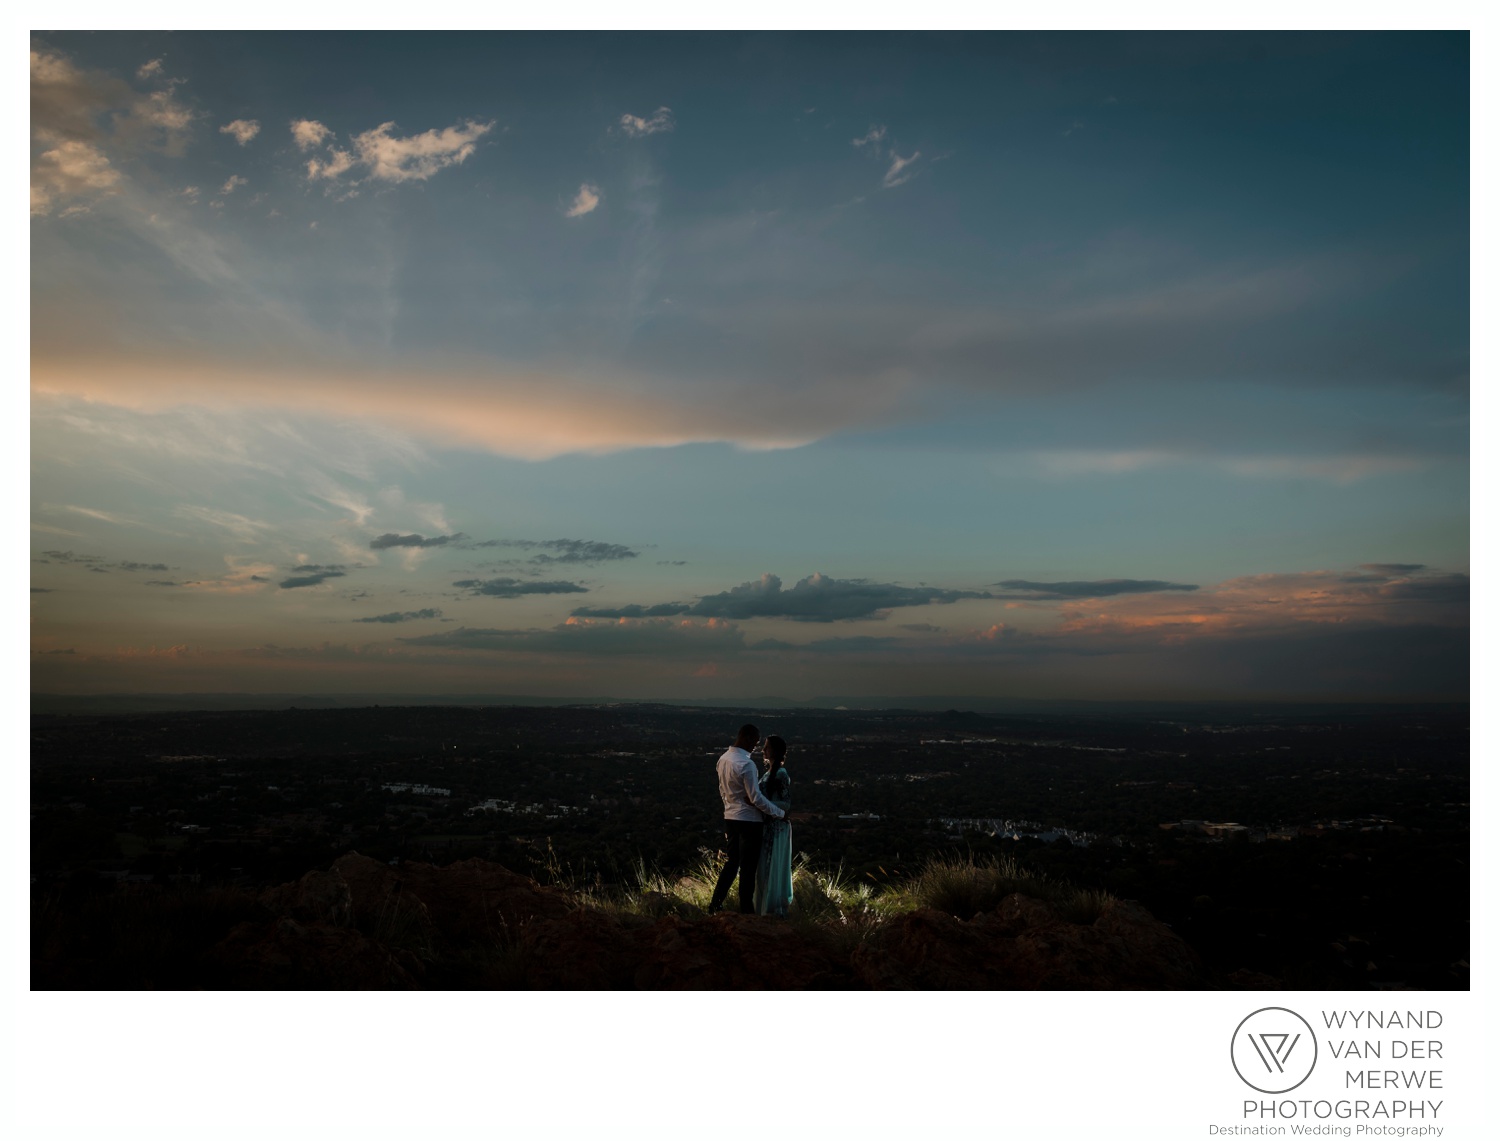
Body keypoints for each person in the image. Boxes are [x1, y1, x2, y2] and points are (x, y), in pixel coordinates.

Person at [707, 723, 787, 914]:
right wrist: (779, 812)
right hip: (750, 821)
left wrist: (729, 807)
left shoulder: (723, 759)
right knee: (748, 868)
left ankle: (715, 904)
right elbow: (756, 798)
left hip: (731, 817)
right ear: (748, 738)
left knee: (732, 862)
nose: (756, 747)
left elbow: (722, 790)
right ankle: (746, 911)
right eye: (756, 742)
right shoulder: (747, 764)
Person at [754, 735, 794, 917]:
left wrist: (759, 803)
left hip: (777, 828)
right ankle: (763, 908)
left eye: (767, 747)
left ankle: (772, 909)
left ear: (775, 751)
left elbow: (786, 804)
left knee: (772, 869)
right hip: (768, 827)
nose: (763, 750)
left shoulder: (780, 774)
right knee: (764, 870)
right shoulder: (769, 773)